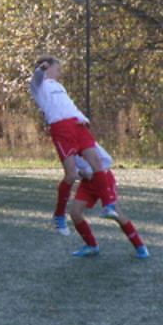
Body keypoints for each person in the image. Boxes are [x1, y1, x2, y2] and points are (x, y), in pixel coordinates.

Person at [29, 56, 110, 238]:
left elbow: (68, 105)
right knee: (71, 175)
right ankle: (59, 215)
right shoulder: (39, 85)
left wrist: (81, 117)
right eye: (57, 68)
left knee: (100, 161)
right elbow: (36, 78)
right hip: (61, 129)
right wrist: (40, 69)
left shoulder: (59, 86)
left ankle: (108, 204)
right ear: (48, 67)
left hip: (77, 125)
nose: (60, 72)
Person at [71, 150, 149, 259]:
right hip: (87, 183)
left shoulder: (87, 142)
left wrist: (91, 171)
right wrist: (80, 173)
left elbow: (107, 160)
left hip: (103, 179)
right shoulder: (64, 145)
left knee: (116, 213)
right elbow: (70, 168)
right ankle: (91, 246)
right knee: (75, 213)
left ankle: (140, 246)